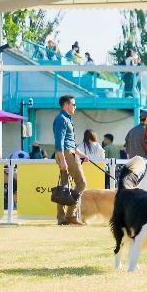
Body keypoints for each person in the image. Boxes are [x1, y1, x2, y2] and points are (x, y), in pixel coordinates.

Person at [53, 95, 87, 226]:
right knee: (82, 183)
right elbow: (60, 142)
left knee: (64, 187)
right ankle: (70, 215)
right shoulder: (62, 119)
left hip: (66, 152)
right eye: (73, 104)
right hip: (66, 154)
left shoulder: (64, 118)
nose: (75, 107)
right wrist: (63, 160)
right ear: (66, 105)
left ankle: (62, 218)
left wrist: (81, 155)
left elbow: (68, 142)